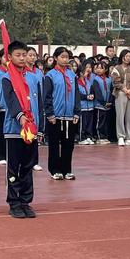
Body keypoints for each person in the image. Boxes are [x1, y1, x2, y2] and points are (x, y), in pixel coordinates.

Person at [2, 41, 44, 218]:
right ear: (9, 57)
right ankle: (14, 202)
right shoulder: (7, 78)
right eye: (17, 55)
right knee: (14, 168)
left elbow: (39, 103)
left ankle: (26, 201)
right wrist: (20, 116)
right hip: (14, 130)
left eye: (23, 55)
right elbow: (10, 99)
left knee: (28, 166)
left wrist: (40, 129)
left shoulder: (34, 77)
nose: (21, 58)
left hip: (32, 130)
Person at [44, 47, 80, 180]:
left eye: (67, 57)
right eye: (62, 57)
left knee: (68, 144)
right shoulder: (50, 75)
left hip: (70, 116)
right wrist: (50, 114)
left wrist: (77, 112)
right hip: (55, 116)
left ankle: (67, 169)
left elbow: (76, 95)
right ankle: (55, 169)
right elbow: (47, 96)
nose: (65, 59)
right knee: (54, 144)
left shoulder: (72, 75)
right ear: (56, 58)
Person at [111, 49, 130, 146]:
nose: (128, 58)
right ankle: (121, 137)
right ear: (122, 57)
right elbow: (116, 82)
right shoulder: (117, 68)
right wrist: (125, 90)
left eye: (129, 56)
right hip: (120, 94)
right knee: (120, 115)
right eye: (126, 56)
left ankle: (129, 137)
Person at [91, 61, 112, 145]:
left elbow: (111, 91)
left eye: (101, 68)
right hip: (99, 104)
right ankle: (99, 136)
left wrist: (110, 101)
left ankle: (105, 136)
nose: (99, 70)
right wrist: (103, 102)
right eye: (97, 68)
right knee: (99, 122)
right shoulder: (95, 79)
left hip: (107, 105)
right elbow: (97, 92)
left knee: (106, 122)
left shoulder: (109, 80)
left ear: (106, 69)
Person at [78, 61, 96, 145]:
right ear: (81, 73)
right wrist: (86, 97)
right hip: (82, 106)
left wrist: (92, 95)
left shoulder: (88, 82)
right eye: (85, 71)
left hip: (90, 106)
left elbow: (92, 90)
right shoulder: (77, 82)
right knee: (83, 123)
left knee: (89, 122)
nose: (87, 73)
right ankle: (82, 137)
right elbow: (78, 95)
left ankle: (89, 136)